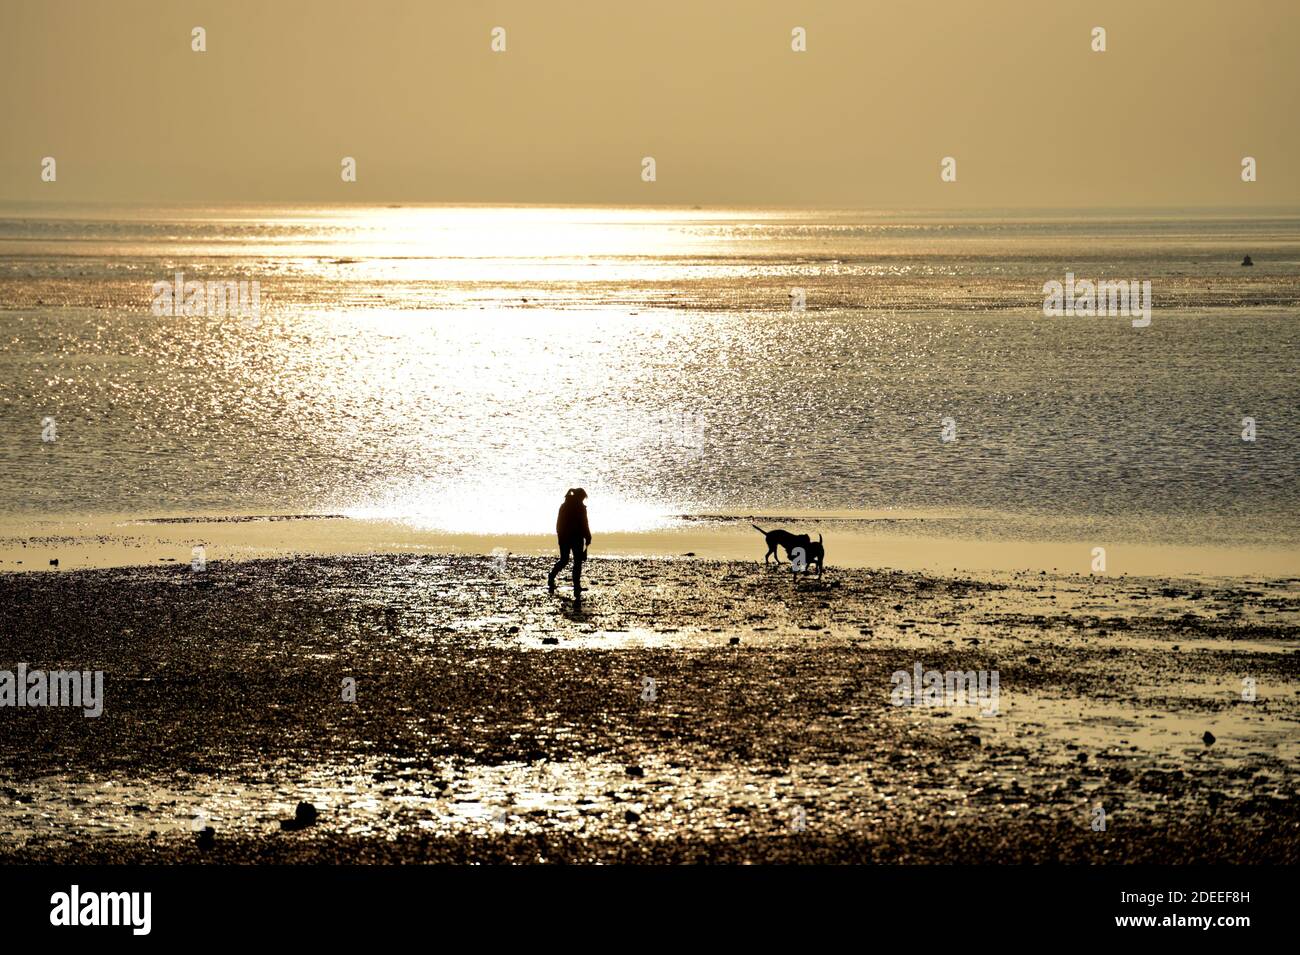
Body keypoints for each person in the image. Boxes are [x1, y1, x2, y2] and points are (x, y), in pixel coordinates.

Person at [548, 487, 591, 597]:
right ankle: (576, 585)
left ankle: (552, 577)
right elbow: (584, 524)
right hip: (575, 537)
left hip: (564, 537)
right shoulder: (580, 508)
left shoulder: (564, 505)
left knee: (565, 560)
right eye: (582, 498)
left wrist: (560, 536)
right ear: (579, 497)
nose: (582, 500)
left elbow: (558, 524)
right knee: (576, 562)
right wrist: (588, 536)